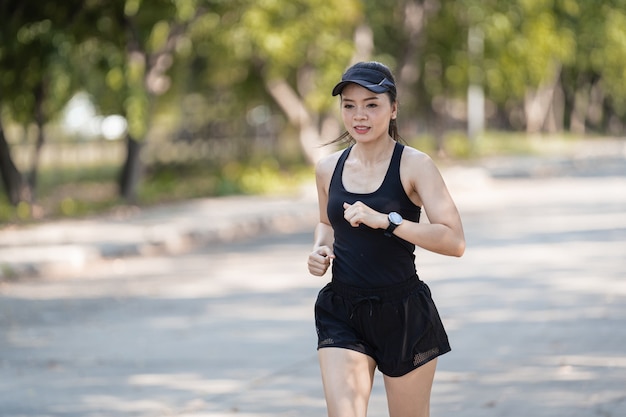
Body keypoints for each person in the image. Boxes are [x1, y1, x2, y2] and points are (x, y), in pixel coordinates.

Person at [307, 61, 465, 417]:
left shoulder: (415, 165)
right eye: (349, 105)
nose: (359, 115)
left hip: (404, 312)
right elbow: (326, 223)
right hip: (343, 310)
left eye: (371, 104)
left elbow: (454, 241)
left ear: (393, 109)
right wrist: (320, 249)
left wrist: (387, 222)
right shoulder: (327, 168)